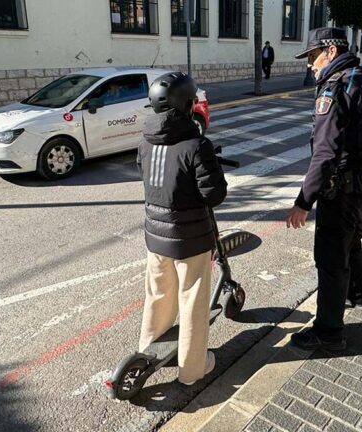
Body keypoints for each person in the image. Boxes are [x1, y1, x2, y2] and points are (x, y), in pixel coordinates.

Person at [286, 27, 362, 351]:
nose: (310, 65)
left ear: (330, 51)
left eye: (313, 56)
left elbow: (325, 153)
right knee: (352, 238)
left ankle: (328, 331)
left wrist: (304, 201)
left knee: (330, 258)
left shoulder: (335, 87)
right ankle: (356, 294)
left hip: (342, 187)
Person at [137, 72, 228, 385]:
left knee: (158, 295)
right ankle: (191, 369)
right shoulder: (196, 144)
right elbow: (214, 195)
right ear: (189, 105)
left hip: (155, 235)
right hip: (190, 240)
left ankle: (149, 355)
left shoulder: (145, 142)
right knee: (192, 302)